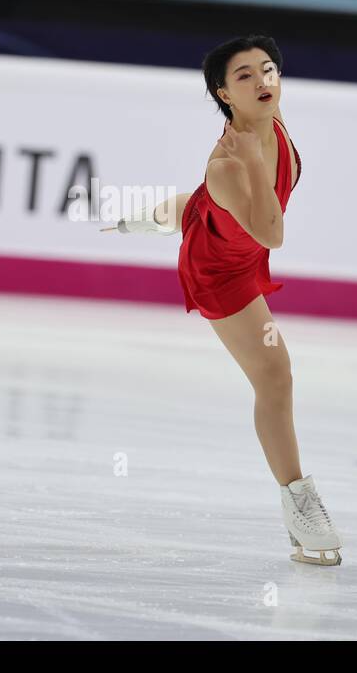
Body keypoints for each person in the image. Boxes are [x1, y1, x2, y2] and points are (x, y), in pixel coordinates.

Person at [103, 35, 342, 566]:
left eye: (269, 69)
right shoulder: (230, 165)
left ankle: (155, 217)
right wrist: (256, 164)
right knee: (275, 373)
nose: (264, 81)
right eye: (245, 76)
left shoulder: (269, 121)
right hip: (219, 272)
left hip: (221, 227)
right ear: (224, 93)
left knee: (198, 209)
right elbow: (272, 234)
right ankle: (299, 504)